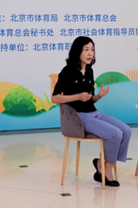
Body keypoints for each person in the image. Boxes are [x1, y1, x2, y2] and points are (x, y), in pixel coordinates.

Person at [51, 36, 131, 187]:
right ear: (78, 52)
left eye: (92, 50)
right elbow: (54, 98)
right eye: (86, 50)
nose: (90, 53)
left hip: (94, 113)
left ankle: (102, 164)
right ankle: (106, 171)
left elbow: (90, 99)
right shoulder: (67, 71)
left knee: (126, 130)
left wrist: (98, 96)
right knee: (115, 134)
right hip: (78, 117)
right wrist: (77, 97)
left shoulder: (89, 71)